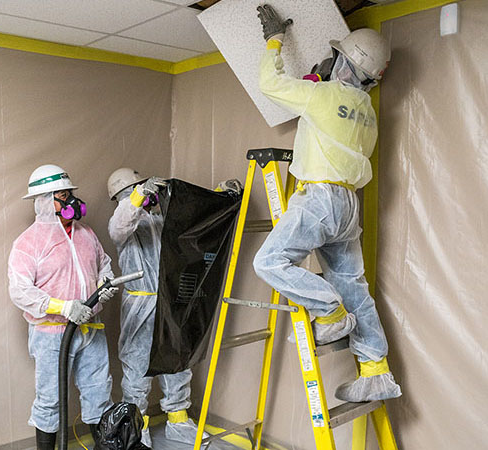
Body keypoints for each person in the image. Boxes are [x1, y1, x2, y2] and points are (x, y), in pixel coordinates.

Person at [252, 5, 402, 402]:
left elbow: (270, 82)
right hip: (349, 205)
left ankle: (331, 314)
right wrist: (322, 82)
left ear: (345, 63)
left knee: (268, 262)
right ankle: (375, 370)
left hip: (319, 198)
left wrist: (274, 40)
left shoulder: (322, 95)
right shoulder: (368, 111)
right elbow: (339, 116)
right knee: (354, 286)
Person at [8, 164, 119, 450]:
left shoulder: (85, 233)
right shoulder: (28, 243)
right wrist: (64, 307)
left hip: (91, 329)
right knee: (51, 400)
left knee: (99, 394)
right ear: (44, 201)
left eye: (70, 193)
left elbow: (103, 263)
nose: (70, 200)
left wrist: (105, 283)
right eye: (62, 195)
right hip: (52, 334)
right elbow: (20, 291)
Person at [106, 168, 216, 447]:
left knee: (177, 361)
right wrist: (137, 196)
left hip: (170, 299)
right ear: (124, 194)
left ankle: (178, 421)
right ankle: (136, 425)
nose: (147, 193)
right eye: (139, 188)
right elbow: (119, 225)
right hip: (141, 304)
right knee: (138, 367)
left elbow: (194, 220)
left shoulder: (157, 218)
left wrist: (220, 197)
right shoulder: (125, 220)